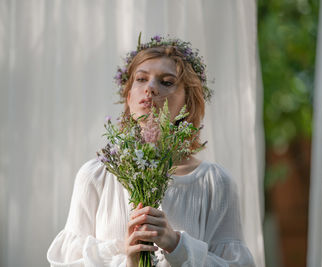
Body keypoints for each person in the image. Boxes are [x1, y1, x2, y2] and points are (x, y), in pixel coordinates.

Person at [47, 35, 256, 267]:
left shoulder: (216, 183)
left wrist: (176, 244)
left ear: (188, 101)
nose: (151, 88)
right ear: (129, 96)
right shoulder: (95, 176)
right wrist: (128, 261)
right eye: (141, 79)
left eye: (166, 82)